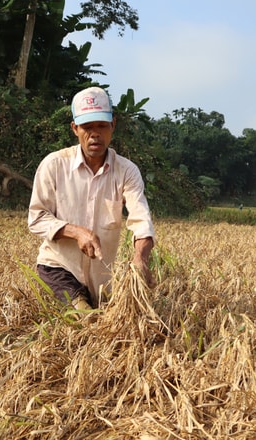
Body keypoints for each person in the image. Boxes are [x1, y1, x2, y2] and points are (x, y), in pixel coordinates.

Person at [27, 86, 156, 309]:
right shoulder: (54, 165)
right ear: (75, 128)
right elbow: (37, 218)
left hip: (102, 280)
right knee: (84, 315)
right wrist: (76, 232)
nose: (95, 133)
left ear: (113, 125)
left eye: (101, 126)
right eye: (87, 127)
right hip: (58, 269)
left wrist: (140, 258)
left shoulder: (126, 171)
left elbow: (140, 218)